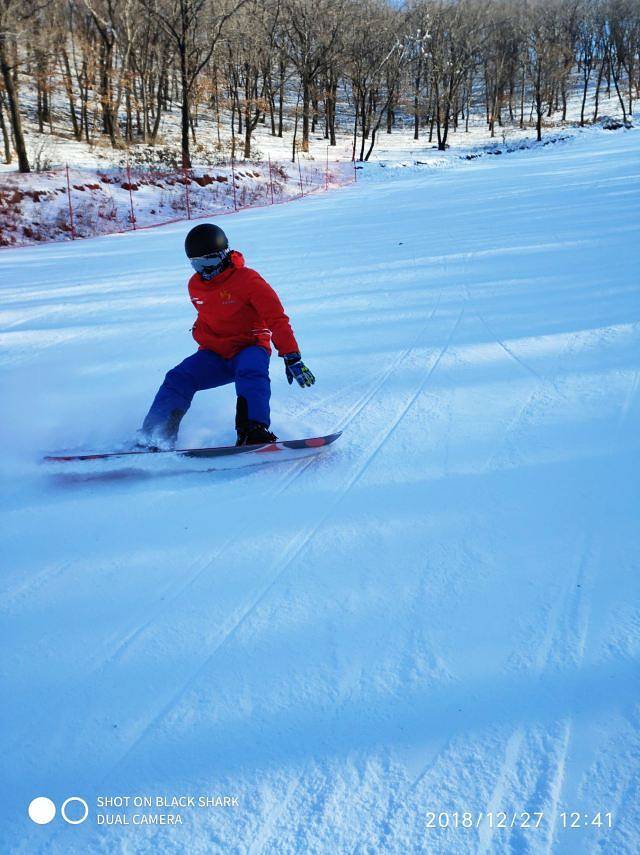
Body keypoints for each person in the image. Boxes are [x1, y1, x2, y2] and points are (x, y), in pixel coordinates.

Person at [138, 223, 315, 448]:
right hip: (216, 352)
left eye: (210, 262)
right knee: (178, 377)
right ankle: (155, 435)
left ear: (224, 254)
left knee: (251, 371)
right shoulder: (195, 285)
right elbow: (211, 315)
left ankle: (253, 431)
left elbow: (277, 318)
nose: (206, 271)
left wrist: (292, 356)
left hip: (250, 345)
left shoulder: (248, 280)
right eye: (198, 265)